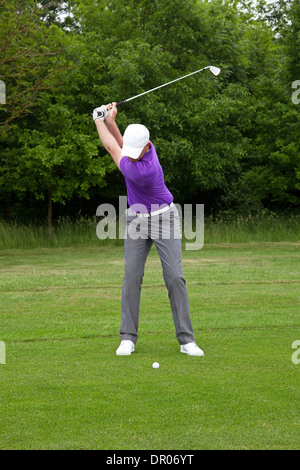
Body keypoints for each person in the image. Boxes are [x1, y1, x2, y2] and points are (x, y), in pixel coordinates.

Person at [93, 103, 204, 357]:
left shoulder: (145, 169)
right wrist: (111, 122)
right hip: (136, 220)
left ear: (147, 146)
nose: (130, 154)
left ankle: (187, 340)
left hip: (164, 218)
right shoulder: (142, 150)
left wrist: (97, 120)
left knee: (175, 277)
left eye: (135, 150)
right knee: (132, 276)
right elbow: (124, 146)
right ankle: (128, 338)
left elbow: (113, 148)